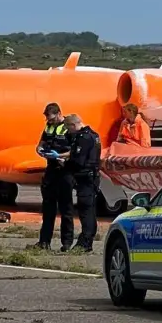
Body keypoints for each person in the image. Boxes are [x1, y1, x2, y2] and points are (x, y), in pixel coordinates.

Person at [35, 102, 74, 251]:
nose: (49, 122)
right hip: (51, 169)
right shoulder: (49, 127)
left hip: (65, 169)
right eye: (47, 120)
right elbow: (41, 142)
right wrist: (39, 149)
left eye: (51, 119)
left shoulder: (68, 127)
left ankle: (67, 243)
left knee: (66, 208)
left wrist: (60, 156)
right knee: (48, 207)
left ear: (59, 114)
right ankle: (44, 242)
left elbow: (75, 149)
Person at [64, 113, 101, 253]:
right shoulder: (94, 135)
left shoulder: (83, 138)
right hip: (92, 177)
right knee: (90, 210)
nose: (68, 132)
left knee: (85, 211)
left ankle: (85, 241)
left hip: (85, 177)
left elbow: (79, 160)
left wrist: (66, 161)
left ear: (73, 125)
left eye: (69, 128)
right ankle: (87, 239)